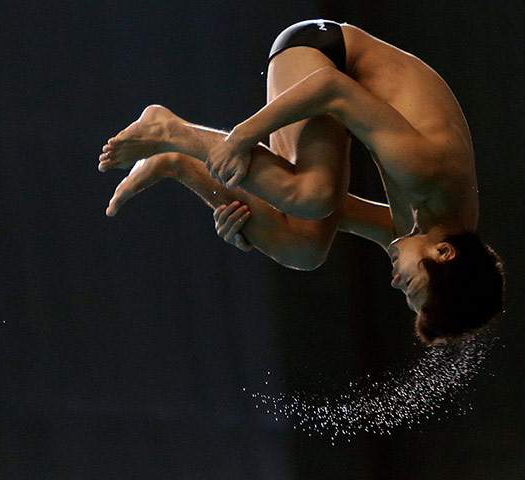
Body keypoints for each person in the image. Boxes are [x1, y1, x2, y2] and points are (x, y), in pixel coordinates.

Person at [98, 19, 504, 345]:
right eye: (411, 284)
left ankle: (176, 162)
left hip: (334, 94)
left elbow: (338, 212)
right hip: (320, 53)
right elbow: (332, 90)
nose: (394, 281)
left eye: (404, 294)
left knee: (304, 248)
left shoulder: (425, 229)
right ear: (445, 253)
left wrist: (252, 222)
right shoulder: (427, 174)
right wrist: (241, 138)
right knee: (312, 195)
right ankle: (172, 131)